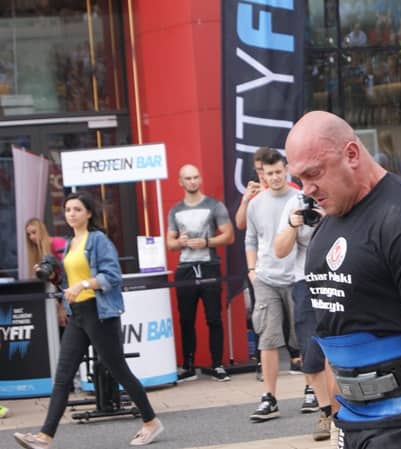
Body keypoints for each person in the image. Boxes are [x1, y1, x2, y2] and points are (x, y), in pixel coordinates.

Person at [285, 111, 401, 449]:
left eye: (313, 173)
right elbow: (333, 335)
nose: (307, 189)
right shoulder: (326, 228)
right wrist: (339, 426)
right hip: (353, 422)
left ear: (351, 154)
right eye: (299, 178)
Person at [13, 191, 164, 449]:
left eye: (77, 209)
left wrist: (82, 284)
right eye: (68, 210)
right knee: (63, 376)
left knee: (119, 370)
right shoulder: (70, 243)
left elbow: (112, 276)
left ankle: (151, 422)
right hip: (77, 315)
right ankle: (44, 437)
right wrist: (54, 278)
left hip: (99, 312)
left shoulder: (98, 240)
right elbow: (68, 282)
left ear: (89, 213)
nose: (71, 214)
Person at [245, 148, 303, 422]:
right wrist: (252, 270)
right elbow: (250, 239)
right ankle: (269, 397)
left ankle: (311, 390)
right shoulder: (256, 204)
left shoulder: (299, 199)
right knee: (267, 339)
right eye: (269, 173)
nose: (275, 177)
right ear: (263, 175)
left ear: (286, 170)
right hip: (266, 279)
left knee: (303, 337)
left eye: (279, 171)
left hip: (297, 277)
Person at [273, 185, 333, 441]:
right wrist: (292, 225)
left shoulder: (337, 197)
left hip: (337, 277)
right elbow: (279, 251)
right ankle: (326, 411)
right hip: (305, 282)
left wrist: (327, 219)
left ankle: (344, 411)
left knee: (338, 347)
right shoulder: (295, 203)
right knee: (310, 351)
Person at [166, 164, 235, 382]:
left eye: (196, 177)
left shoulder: (215, 205)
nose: (193, 181)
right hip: (185, 269)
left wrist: (206, 242)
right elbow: (169, 243)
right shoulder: (175, 210)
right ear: (180, 182)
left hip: (209, 266)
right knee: (186, 319)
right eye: (188, 178)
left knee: (214, 317)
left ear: (200, 179)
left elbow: (229, 236)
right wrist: (180, 242)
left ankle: (217, 365)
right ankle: (188, 365)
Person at [25, 218, 68, 331]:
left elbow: (68, 275)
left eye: (34, 232)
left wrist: (63, 306)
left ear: (42, 230)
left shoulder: (58, 243)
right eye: (28, 234)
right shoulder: (37, 254)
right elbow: (55, 280)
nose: (31, 237)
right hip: (57, 297)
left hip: (71, 295)